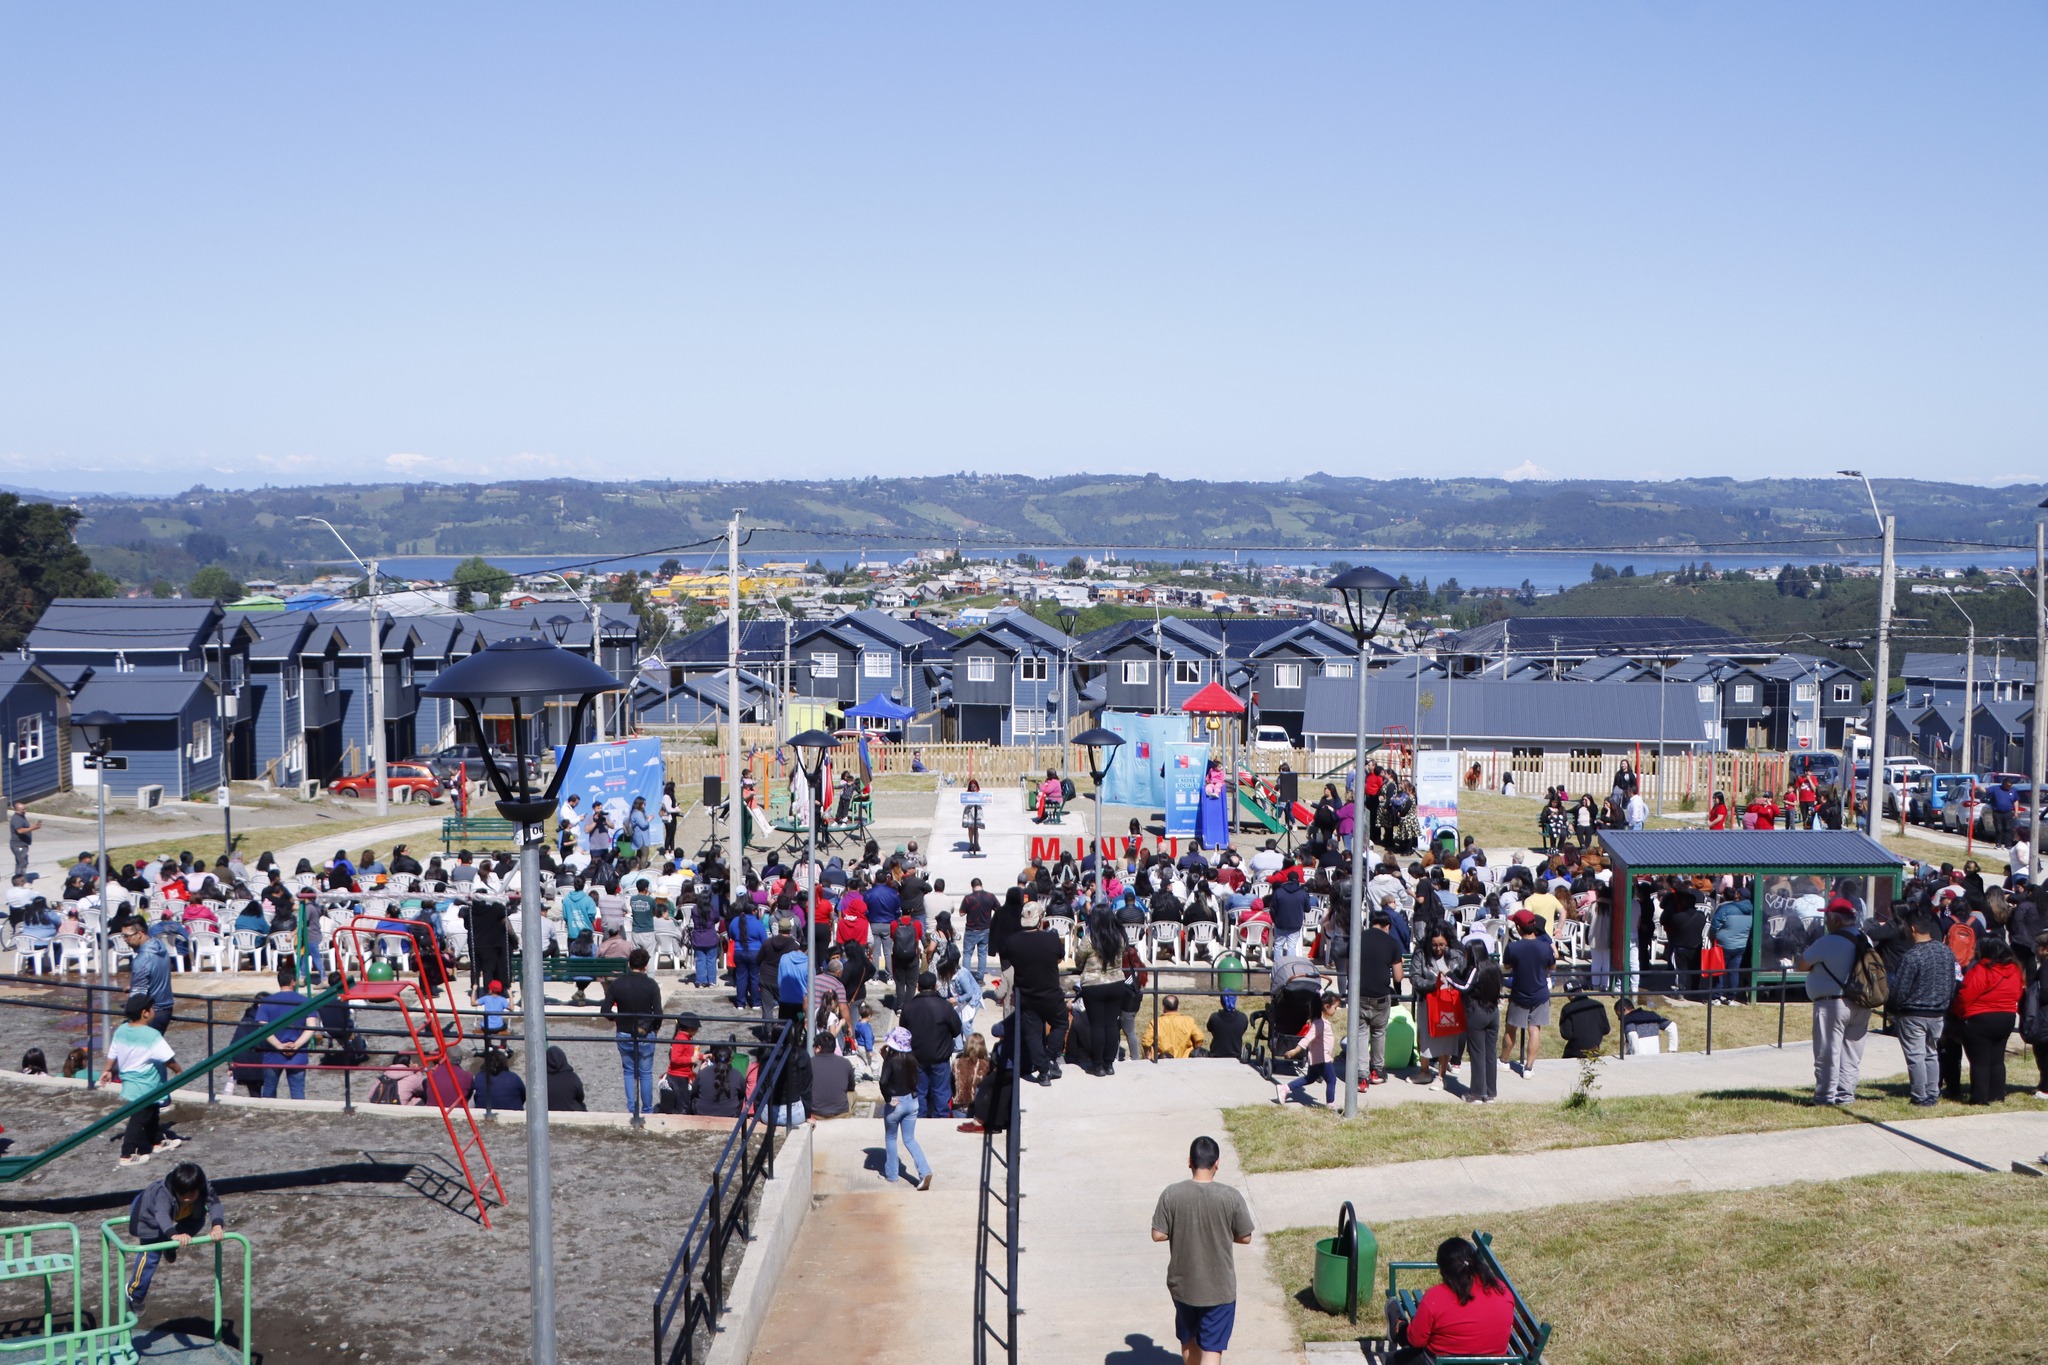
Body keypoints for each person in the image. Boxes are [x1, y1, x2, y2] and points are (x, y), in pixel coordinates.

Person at [1150, 1135, 1255, 1365]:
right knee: (1212, 1348)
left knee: (1189, 1341)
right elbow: (1246, 1236)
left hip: (1183, 1286)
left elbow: (1158, 1234)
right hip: (1219, 1289)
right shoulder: (1230, 1197)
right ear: (1217, 1163)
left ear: (1190, 1161)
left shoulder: (1172, 1194)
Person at [1384, 1236, 1515, 1364]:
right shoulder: (1502, 1290)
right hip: (1493, 1361)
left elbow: (1416, 1340)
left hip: (1442, 1361)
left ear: (1444, 1270)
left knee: (1391, 1359)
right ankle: (1399, 1327)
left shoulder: (1436, 1296)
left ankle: (1399, 1327)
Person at [123, 1162, 225, 1316]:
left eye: (191, 1195)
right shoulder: (163, 1193)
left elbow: (215, 1204)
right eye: (182, 1195)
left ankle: (170, 1245)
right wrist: (173, 1234)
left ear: (199, 1187)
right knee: (151, 1254)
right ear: (175, 1190)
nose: (186, 1199)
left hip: (179, 1213)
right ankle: (134, 1293)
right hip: (149, 1215)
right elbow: (161, 1214)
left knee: (198, 1219)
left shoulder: (204, 1187)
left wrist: (217, 1225)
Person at [1796, 898, 1871, 1106]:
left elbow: (1802, 964)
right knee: (1852, 1052)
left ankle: (1824, 1097)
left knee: (1827, 1052)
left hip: (1832, 1004)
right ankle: (1845, 1095)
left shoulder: (1828, 941)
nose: (1826, 922)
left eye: (1828, 917)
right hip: (1861, 1002)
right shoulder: (1865, 939)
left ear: (1836, 919)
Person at [105, 995, 180, 1166]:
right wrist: (179, 1071)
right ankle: (127, 1153)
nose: (154, 1011)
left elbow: (113, 1053)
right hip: (145, 1084)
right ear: (145, 1013)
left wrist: (107, 1070)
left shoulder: (122, 1030)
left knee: (153, 1111)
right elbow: (168, 1059)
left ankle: (156, 1141)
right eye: (152, 1009)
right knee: (139, 1117)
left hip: (131, 1081)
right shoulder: (151, 1035)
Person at [1889, 912, 1955, 1106]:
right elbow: (1951, 983)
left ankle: (1919, 1095)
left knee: (1916, 1056)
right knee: (1931, 1052)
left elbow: (1900, 988)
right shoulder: (1946, 952)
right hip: (1937, 1013)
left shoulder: (1912, 955)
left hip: (1913, 1013)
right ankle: (1932, 1092)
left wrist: (1894, 1007)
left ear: (1912, 928)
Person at [600, 946, 663, 1124]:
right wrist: (655, 1028)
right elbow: (658, 1012)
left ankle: (631, 1109)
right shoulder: (651, 985)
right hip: (645, 1033)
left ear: (629, 963)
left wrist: (617, 1019)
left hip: (624, 1031)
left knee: (628, 1072)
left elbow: (605, 1010)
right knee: (645, 1073)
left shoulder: (618, 983)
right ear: (646, 965)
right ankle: (647, 1110)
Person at [1956, 937, 2023, 1104]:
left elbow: (1966, 996)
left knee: (1980, 1061)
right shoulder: (2015, 969)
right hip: (2006, 1017)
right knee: (1997, 1059)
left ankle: (1979, 1098)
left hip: (1981, 1018)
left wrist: (1958, 1013)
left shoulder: (1981, 969)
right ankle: (1997, 1094)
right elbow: (2018, 994)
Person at [901, 970, 963, 1116]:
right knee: (941, 1092)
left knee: (919, 1093)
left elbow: (902, 1034)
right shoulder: (945, 1006)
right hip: (940, 1058)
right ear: (935, 986)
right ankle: (940, 1123)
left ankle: (920, 1121)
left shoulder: (908, 1007)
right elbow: (956, 1030)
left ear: (918, 987)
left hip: (916, 1058)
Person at [253, 962, 318, 1100]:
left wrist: (279, 1046)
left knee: (269, 1089)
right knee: (297, 1090)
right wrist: (296, 1045)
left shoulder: (267, 1002)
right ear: (293, 982)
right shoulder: (306, 1001)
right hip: (298, 1053)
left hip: (272, 1053)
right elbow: (311, 1027)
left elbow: (263, 1028)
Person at [1354, 909, 1405, 1084]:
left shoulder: (1358, 937)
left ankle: (1361, 1075)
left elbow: (1348, 970)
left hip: (1359, 994)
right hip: (1381, 996)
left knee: (1361, 1033)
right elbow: (1398, 977)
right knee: (1378, 1032)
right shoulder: (1392, 943)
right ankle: (1377, 1070)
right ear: (1387, 926)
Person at [1502, 914, 1555, 1075]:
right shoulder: (1545, 947)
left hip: (1519, 994)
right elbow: (1552, 966)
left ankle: (1504, 1060)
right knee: (1535, 1030)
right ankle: (1529, 1068)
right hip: (1540, 994)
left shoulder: (1513, 947)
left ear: (1518, 928)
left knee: (1511, 1029)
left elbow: (1506, 966)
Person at [879, 1027, 931, 1190]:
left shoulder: (891, 1060)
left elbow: (883, 1081)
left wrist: (888, 1099)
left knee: (891, 1137)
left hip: (897, 1103)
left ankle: (892, 1174)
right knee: (910, 1139)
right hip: (912, 1101)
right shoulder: (912, 1058)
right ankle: (924, 1171)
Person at [1457, 944, 1504, 1104]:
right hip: (1493, 1012)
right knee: (1490, 1053)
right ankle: (1490, 1092)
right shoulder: (1494, 967)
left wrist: (1448, 974)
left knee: (1477, 1053)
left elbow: (1464, 987)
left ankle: (1477, 1093)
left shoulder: (1476, 969)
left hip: (1477, 1011)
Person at [1282, 993, 1340, 1106]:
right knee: (1332, 1080)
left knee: (1310, 1078)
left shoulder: (1318, 1021)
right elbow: (1307, 1039)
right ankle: (1331, 1103)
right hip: (1322, 1059)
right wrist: (1295, 1050)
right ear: (1327, 1006)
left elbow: (1320, 1042)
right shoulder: (1320, 1024)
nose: (1335, 1010)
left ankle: (1285, 1088)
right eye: (1335, 1007)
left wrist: (1328, 1054)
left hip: (1319, 1057)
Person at [1142, 996, 1208, 1060]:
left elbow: (1146, 1042)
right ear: (1178, 1007)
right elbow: (1199, 1037)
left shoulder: (1155, 1022)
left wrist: (1148, 1056)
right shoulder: (1189, 1020)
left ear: (1163, 1007)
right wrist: (1195, 1050)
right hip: (1184, 1059)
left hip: (1163, 1059)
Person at [809, 1031, 855, 1119]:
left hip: (814, 1113)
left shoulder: (809, 1063)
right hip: (841, 1113)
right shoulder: (845, 1063)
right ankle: (849, 1116)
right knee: (853, 1094)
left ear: (818, 1048)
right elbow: (851, 1087)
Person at [1557, 985, 1610, 1058]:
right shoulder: (1598, 1005)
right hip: (1594, 1050)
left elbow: (1566, 1035)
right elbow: (1606, 1029)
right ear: (1581, 990)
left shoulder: (1567, 1009)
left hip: (1574, 1052)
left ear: (1567, 995)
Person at [1205, 993, 1249, 1062]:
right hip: (1236, 1057)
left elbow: (1209, 1028)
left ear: (1221, 1002)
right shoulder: (1243, 1018)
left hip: (1215, 1056)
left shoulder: (1214, 1017)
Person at [545, 1044, 587, 1112]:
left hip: (547, 1114)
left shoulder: (541, 1079)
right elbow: (580, 1096)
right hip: (570, 1112)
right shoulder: (572, 1077)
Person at [8, 800, 41, 879]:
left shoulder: (21, 816)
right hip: (18, 846)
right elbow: (20, 830)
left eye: (25, 809)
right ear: (16, 810)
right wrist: (32, 828)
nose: (24, 811)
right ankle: (21, 881)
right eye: (22, 809)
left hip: (22, 844)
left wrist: (33, 827)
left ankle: (19, 879)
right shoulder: (16, 819)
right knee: (22, 863)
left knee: (21, 862)